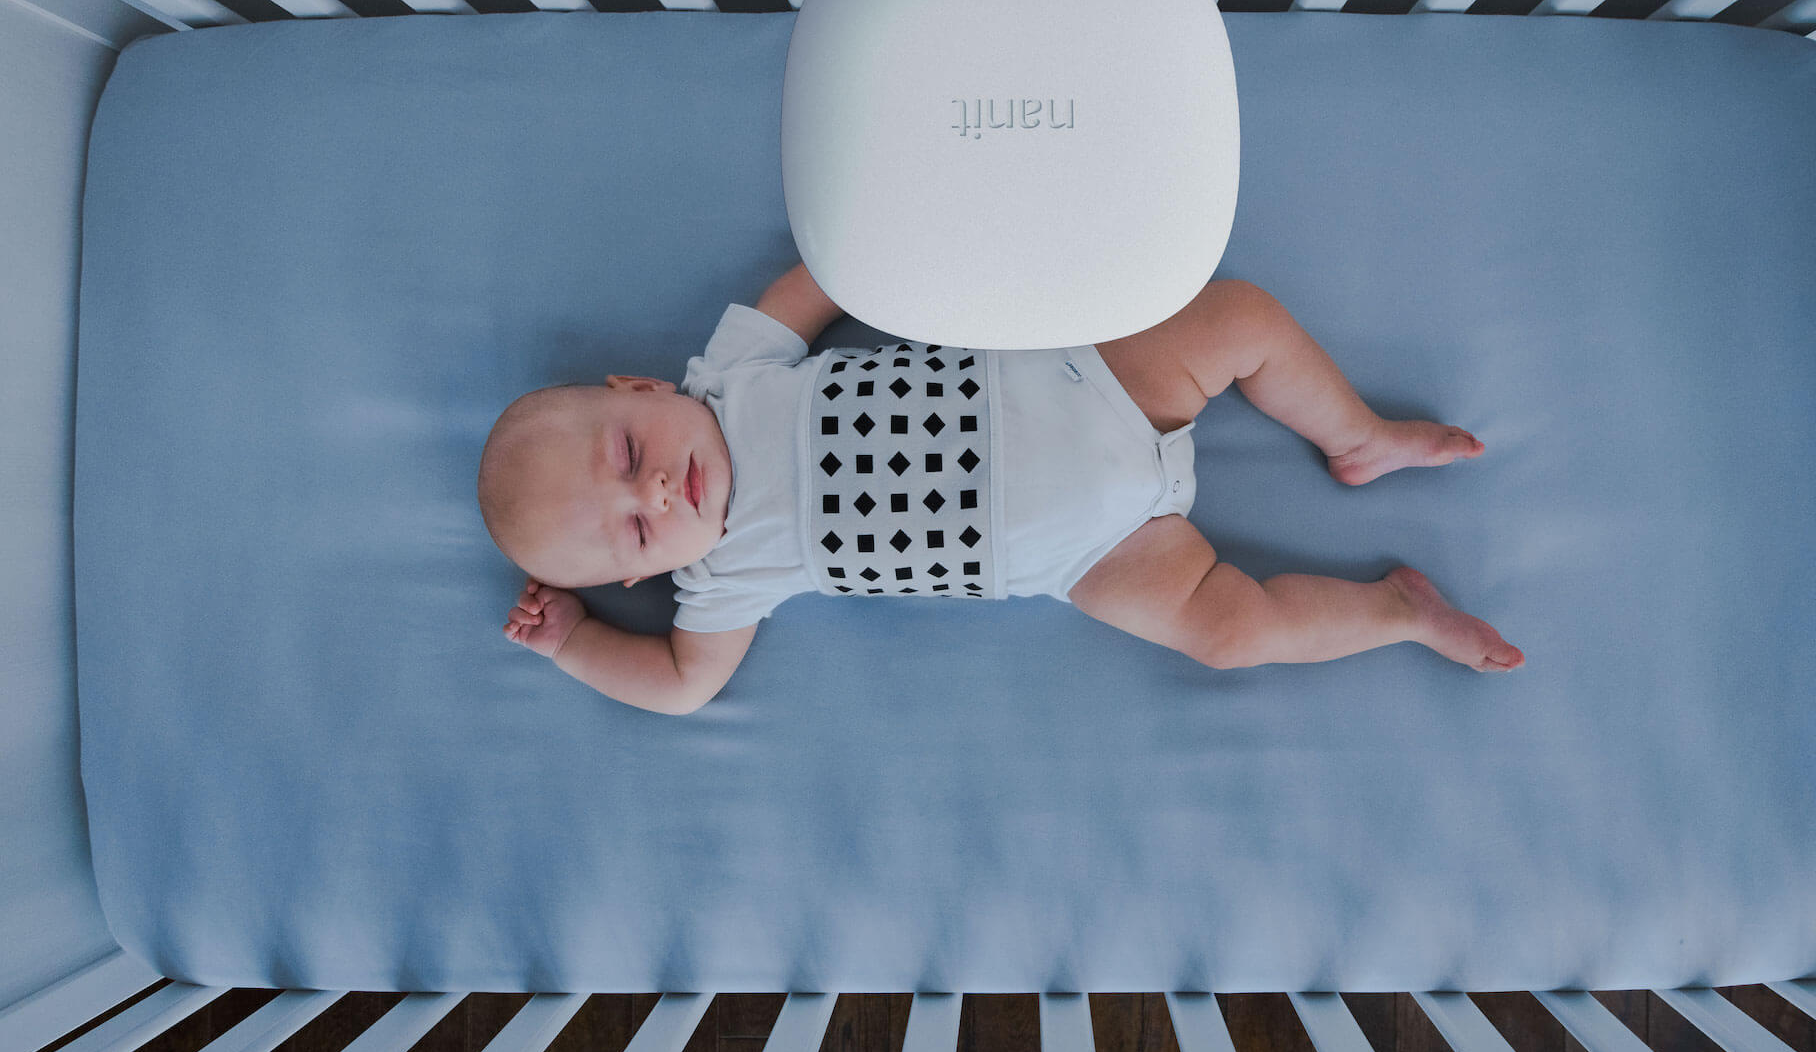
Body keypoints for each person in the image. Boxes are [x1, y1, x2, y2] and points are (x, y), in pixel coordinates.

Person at [478, 262, 1523, 715]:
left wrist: (913, 241)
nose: (656, 492)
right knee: (1230, 634)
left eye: (625, 455)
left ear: (636, 386)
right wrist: (573, 642)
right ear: (645, 572)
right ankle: (1397, 612)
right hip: (1082, 558)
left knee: (1238, 317)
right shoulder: (718, 582)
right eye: (632, 534)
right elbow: (679, 682)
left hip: (1087, 385)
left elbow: (828, 278)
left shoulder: (731, 369)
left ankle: (1360, 437)